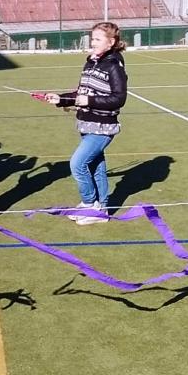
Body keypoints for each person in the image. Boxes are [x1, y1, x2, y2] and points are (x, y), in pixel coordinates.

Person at [41, 21, 128, 226]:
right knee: (96, 166)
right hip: (87, 124)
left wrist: (88, 100)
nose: (93, 42)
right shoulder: (90, 62)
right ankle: (101, 208)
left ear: (111, 42)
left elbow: (119, 98)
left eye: (98, 39)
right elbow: (81, 93)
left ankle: (90, 204)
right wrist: (61, 99)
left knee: (78, 164)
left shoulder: (114, 65)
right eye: (92, 39)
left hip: (103, 126)